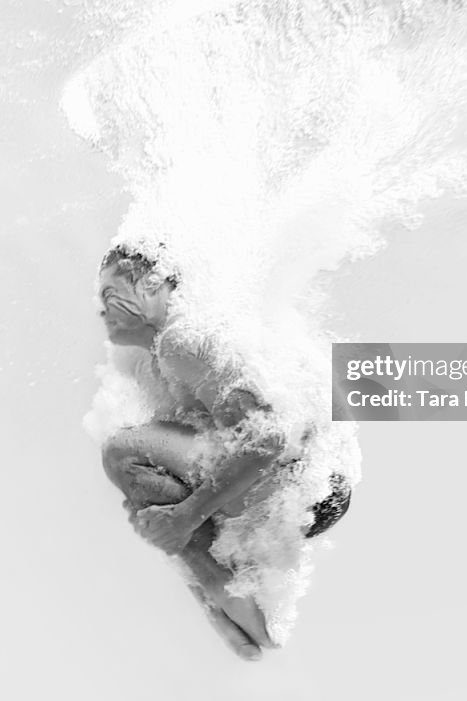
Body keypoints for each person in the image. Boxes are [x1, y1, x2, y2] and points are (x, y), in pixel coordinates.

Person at [95, 245, 351, 660]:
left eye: (111, 294)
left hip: (305, 486)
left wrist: (187, 514)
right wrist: (165, 507)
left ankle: (223, 593)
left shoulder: (182, 341)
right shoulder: (159, 359)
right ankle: (227, 606)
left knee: (123, 453)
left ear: (153, 285)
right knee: (143, 490)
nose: (104, 309)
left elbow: (268, 438)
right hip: (298, 487)